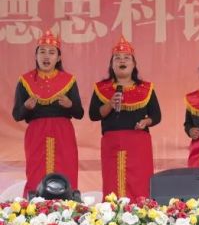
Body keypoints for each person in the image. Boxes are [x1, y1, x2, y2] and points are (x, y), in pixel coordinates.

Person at [12, 30, 84, 196]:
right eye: (42, 52)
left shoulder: (68, 80)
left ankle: (67, 208)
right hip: (36, 132)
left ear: (58, 58)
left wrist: (70, 104)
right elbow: (17, 115)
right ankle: (34, 208)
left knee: (66, 169)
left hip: (63, 131)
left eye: (51, 52)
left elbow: (79, 113)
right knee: (35, 171)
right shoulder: (25, 80)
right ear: (36, 56)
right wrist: (26, 107)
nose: (46, 56)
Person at [89, 36, 161, 199]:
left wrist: (146, 122)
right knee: (113, 181)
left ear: (134, 64)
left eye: (126, 58)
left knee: (139, 182)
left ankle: (140, 212)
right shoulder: (102, 88)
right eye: (117, 58)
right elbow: (93, 115)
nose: (122, 60)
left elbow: (156, 115)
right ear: (112, 65)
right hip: (112, 142)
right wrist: (110, 104)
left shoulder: (146, 88)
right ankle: (112, 212)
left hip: (138, 143)